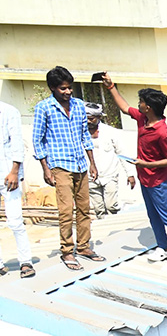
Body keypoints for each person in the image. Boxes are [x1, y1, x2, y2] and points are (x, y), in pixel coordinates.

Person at [101, 75, 167, 272]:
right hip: (145, 179)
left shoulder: (162, 132)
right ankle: (162, 247)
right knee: (152, 215)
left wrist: (145, 163)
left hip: (158, 181)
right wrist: (111, 87)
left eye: (141, 102)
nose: (138, 105)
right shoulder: (142, 119)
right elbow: (124, 107)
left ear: (148, 107)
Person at [32, 66, 103, 271]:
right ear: (53, 88)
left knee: (84, 208)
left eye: (69, 88)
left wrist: (92, 163)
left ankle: (83, 246)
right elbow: (38, 140)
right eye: (63, 88)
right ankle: (67, 250)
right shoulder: (44, 108)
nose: (68, 92)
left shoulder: (79, 105)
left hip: (80, 163)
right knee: (65, 210)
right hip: (59, 165)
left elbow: (84, 136)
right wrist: (46, 169)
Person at [0, 99, 34, 278]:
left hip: (7, 174)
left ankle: (25, 261)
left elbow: (17, 144)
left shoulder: (9, 111)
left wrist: (14, 171)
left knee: (14, 221)